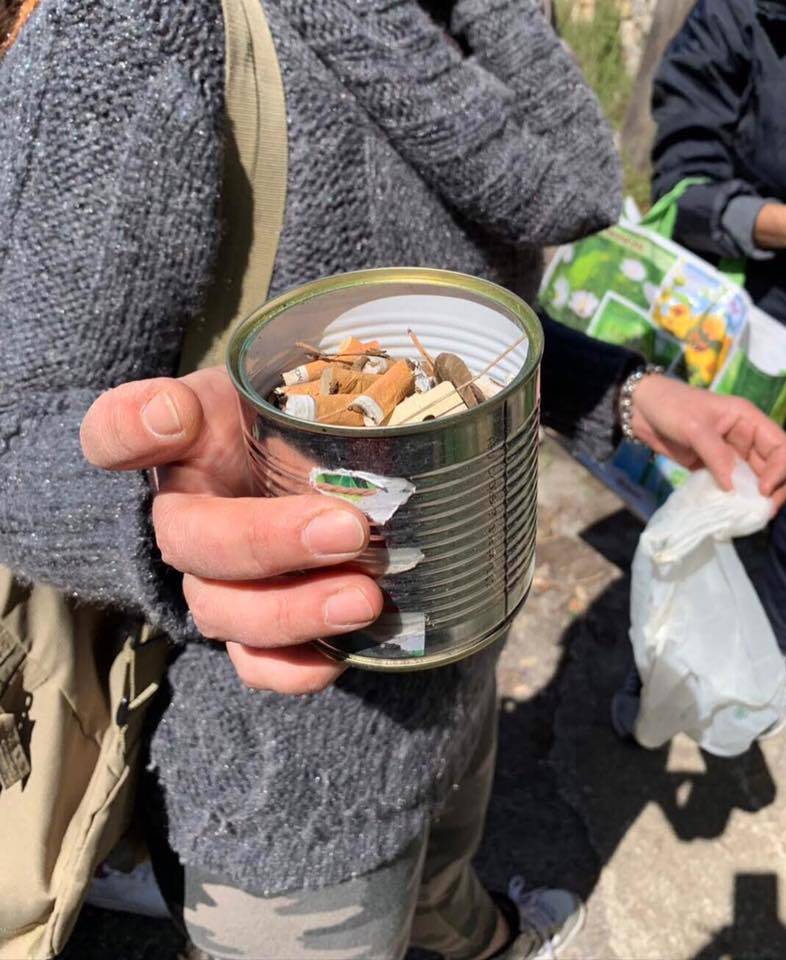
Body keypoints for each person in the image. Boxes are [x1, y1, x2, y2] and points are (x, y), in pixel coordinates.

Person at [3, 2, 786, 959]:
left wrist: (626, 396)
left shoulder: (486, 24)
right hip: (282, 793)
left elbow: (451, 343)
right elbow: (16, 431)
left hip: (463, 672)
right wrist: (161, 529)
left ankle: (482, 934)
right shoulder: (143, 28)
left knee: (445, 877)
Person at [650, 0, 786, 646]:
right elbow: (683, 193)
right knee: (717, 514)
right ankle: (671, 669)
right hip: (754, 327)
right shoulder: (738, 17)